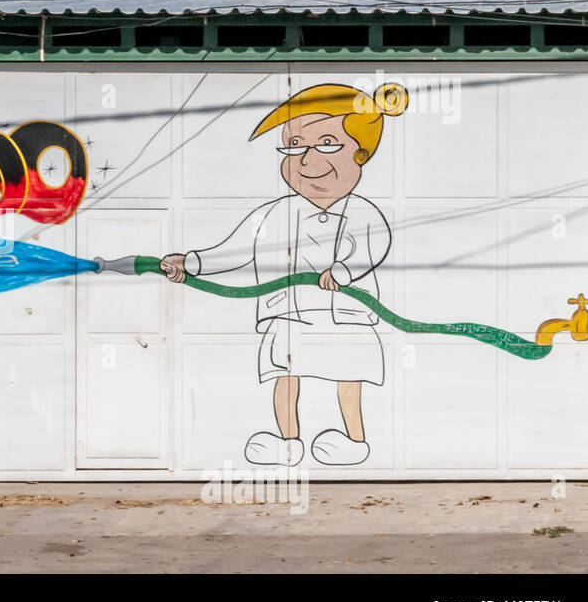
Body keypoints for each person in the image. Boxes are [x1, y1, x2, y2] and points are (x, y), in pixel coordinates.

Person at [161, 82, 407, 466]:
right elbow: (232, 250)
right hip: (289, 314)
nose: (307, 161)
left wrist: (343, 271)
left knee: (348, 375)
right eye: (294, 147)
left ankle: (353, 439)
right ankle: (287, 440)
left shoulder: (362, 212)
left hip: (346, 317)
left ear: (359, 154)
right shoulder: (275, 213)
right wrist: (190, 263)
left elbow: (370, 247)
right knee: (287, 377)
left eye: (327, 144)